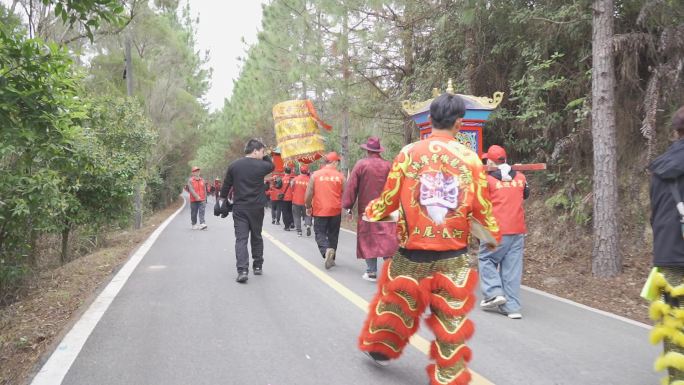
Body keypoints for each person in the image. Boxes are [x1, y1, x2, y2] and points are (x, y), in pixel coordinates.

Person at [357, 93, 500, 385]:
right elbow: (481, 207)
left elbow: (388, 199)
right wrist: (491, 235)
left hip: (413, 252)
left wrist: (373, 212)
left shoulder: (409, 153)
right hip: (453, 254)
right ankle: (448, 377)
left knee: (396, 303)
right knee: (451, 322)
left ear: (430, 120)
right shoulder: (469, 158)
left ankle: (383, 348)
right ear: (459, 123)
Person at [647, 106, 684, 384]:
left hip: (668, 254)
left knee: (673, 327)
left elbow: (655, 214)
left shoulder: (660, 166)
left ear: (675, 132)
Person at [477, 144, 529, 320]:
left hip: (496, 229)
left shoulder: (487, 180)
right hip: (517, 230)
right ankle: (512, 307)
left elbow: (480, 202)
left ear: (491, 161)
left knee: (486, 258)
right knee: (512, 269)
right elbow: (525, 194)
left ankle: (494, 292)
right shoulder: (521, 177)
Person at [342, 136, 398, 282]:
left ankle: (371, 271)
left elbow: (351, 186)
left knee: (369, 238)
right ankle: (389, 272)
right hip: (387, 208)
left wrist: (348, 206)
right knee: (387, 238)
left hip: (367, 208)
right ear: (379, 151)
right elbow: (396, 186)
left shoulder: (361, 165)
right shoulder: (388, 165)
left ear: (367, 150)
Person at [219, 139, 275, 283]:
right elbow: (271, 165)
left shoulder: (234, 165)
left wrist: (221, 201)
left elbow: (226, 185)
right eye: (262, 152)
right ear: (255, 151)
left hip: (240, 208)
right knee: (256, 236)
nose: (263, 155)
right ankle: (257, 266)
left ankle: (242, 270)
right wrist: (267, 153)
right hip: (257, 208)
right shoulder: (263, 166)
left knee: (241, 239)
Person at [305, 152, 345, 269]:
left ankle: (326, 250)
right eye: (337, 161)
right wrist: (347, 208)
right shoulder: (340, 176)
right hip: (335, 210)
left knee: (320, 233)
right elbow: (346, 193)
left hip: (320, 210)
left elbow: (309, 194)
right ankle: (331, 258)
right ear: (333, 162)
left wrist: (308, 206)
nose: (338, 163)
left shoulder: (315, 175)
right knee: (333, 234)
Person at [292, 164, 313, 237]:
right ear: (307, 171)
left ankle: (299, 232)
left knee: (297, 216)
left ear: (300, 171)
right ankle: (308, 225)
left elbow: (292, 187)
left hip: (296, 201)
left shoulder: (295, 179)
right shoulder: (310, 180)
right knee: (307, 215)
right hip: (306, 201)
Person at [187, 166, 207, 230]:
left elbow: (204, 189)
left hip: (202, 199)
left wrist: (205, 199)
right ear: (193, 173)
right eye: (195, 171)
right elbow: (191, 189)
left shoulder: (202, 180)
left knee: (202, 211)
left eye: (198, 171)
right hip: (193, 200)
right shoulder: (190, 180)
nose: (197, 172)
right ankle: (194, 224)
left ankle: (202, 223)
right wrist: (196, 196)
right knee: (194, 212)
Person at [281, 166, 295, 231]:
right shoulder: (293, 179)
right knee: (290, 211)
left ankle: (287, 226)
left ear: (284, 171)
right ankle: (292, 222)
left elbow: (279, 188)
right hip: (292, 198)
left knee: (285, 212)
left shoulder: (282, 179)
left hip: (284, 198)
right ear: (290, 172)